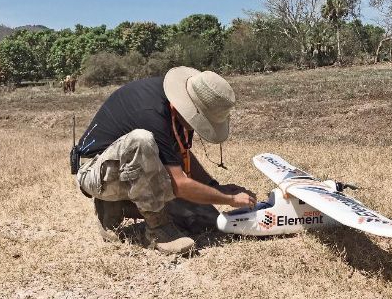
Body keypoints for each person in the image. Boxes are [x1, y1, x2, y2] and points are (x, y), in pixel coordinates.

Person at [74, 66, 257, 254]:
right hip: (95, 173)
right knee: (141, 141)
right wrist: (230, 198)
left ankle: (119, 206)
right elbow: (180, 184)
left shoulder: (173, 105)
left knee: (205, 219)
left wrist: (215, 186)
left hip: (122, 168)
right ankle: (157, 228)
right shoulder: (151, 112)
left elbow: (179, 155)